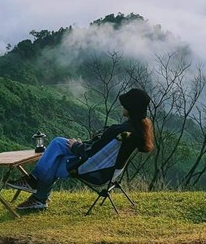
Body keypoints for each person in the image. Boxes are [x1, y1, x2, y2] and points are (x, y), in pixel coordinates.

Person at [10, 88, 155, 211]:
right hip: (108, 170)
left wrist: (76, 145)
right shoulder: (137, 129)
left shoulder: (121, 130)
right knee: (56, 150)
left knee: (56, 149)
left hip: (93, 170)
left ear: (131, 107)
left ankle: (36, 189)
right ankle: (38, 195)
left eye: (125, 104)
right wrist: (81, 144)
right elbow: (100, 149)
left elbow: (93, 152)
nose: (122, 106)